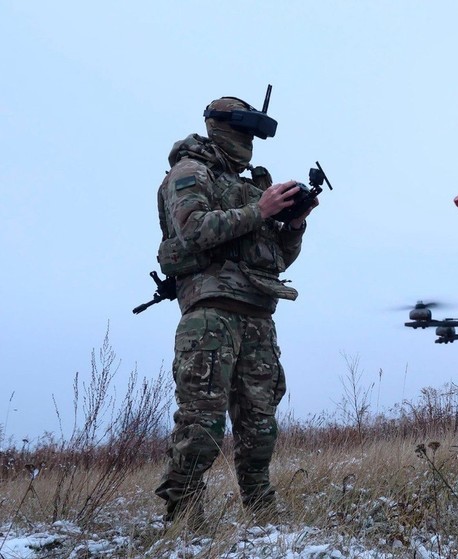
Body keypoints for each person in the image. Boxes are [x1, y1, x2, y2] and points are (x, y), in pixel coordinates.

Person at [153, 93, 317, 524]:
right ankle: (184, 518)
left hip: (259, 315)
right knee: (202, 424)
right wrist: (259, 209)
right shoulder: (189, 172)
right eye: (244, 131)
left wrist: (293, 223)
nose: (248, 142)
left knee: (260, 425)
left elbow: (276, 259)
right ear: (222, 127)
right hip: (211, 314)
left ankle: (262, 512)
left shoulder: (251, 185)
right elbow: (194, 230)